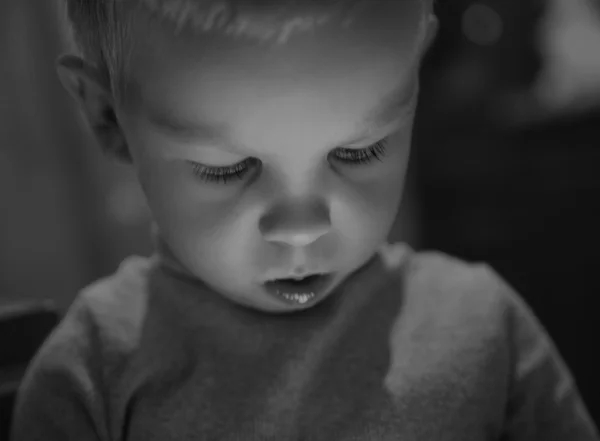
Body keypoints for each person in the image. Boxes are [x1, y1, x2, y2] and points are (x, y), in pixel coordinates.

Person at [10, 0, 599, 439]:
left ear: (413, 73)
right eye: (228, 168)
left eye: (358, 152)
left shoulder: (485, 328)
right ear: (107, 115)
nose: (301, 227)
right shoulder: (92, 375)